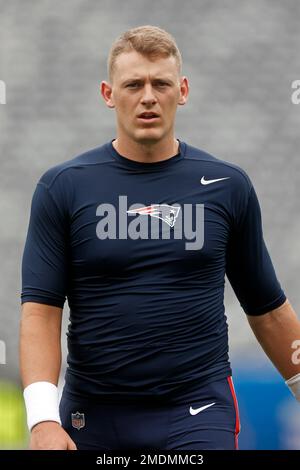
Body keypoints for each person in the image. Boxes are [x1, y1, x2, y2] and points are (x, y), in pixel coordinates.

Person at [20, 25, 300, 451]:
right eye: (133, 84)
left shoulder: (227, 185)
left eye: (160, 83)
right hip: (92, 414)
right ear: (108, 93)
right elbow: (40, 311)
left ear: (182, 90)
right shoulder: (64, 187)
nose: (148, 96)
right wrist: (42, 419)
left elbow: (268, 309)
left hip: (198, 409)